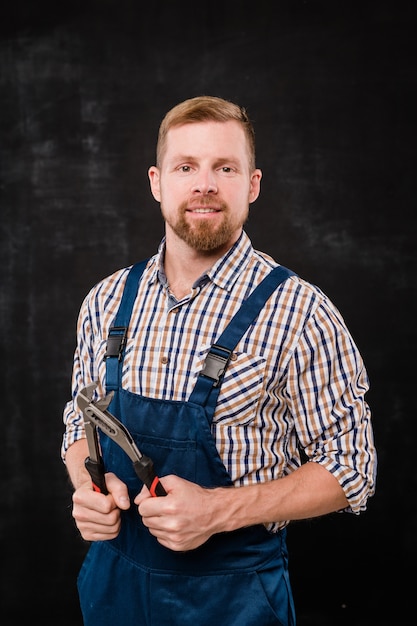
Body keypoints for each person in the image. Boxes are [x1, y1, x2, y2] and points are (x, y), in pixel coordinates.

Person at [62, 95, 377, 626]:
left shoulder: (301, 312)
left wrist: (218, 511)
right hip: (112, 592)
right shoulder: (106, 300)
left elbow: (353, 470)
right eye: (186, 167)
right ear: (157, 182)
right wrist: (88, 486)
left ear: (252, 184)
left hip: (235, 602)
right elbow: (79, 421)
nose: (204, 184)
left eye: (224, 168)